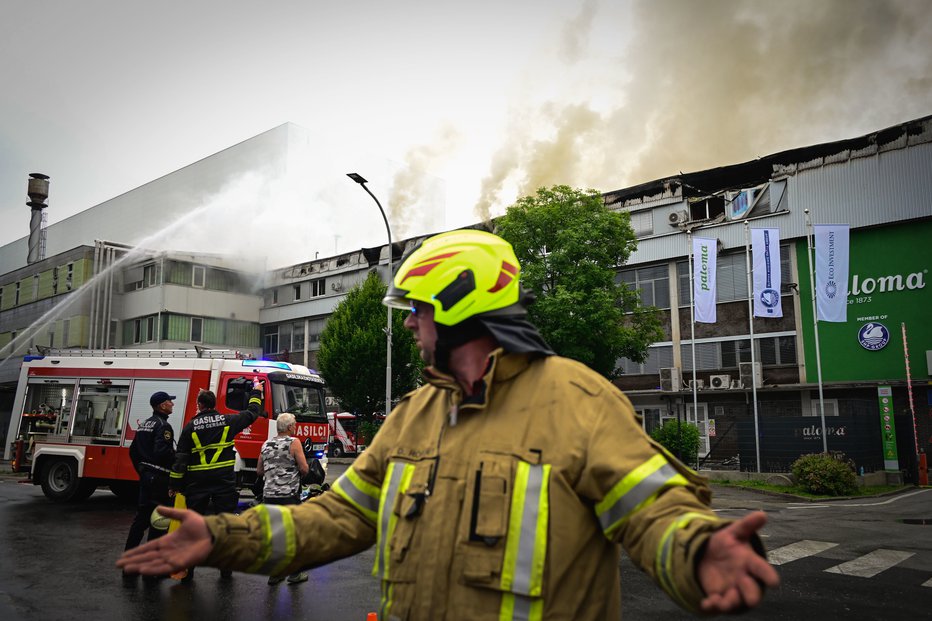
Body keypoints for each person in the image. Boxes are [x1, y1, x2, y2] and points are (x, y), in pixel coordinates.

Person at [119, 230, 779, 618]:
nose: (409, 323)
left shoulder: (579, 400)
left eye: (419, 309)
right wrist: (223, 536)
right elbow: (335, 517)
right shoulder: (413, 417)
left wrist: (699, 550)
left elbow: (653, 511)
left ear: (462, 310)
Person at [168, 380, 266, 581]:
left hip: (197, 483)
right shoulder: (228, 421)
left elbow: (181, 460)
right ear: (213, 404)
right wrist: (256, 391)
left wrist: (174, 485)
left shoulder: (190, 427)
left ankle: (189, 571)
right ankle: (225, 570)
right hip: (223, 482)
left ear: (200, 405)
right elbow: (253, 412)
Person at [123, 391, 176, 582]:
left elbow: (133, 451)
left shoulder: (145, 424)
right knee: (158, 524)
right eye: (169, 401)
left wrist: (142, 471)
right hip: (160, 480)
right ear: (162, 405)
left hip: (147, 479)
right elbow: (162, 452)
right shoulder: (164, 426)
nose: (172, 404)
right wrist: (176, 461)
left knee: (140, 521)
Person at [256, 412, 310, 585]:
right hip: (288, 496)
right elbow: (304, 468)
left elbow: (259, 471)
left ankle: (275, 574)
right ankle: (295, 574)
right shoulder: (294, 443)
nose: (295, 427)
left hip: (269, 495)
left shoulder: (266, 444)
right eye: (294, 424)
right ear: (289, 428)